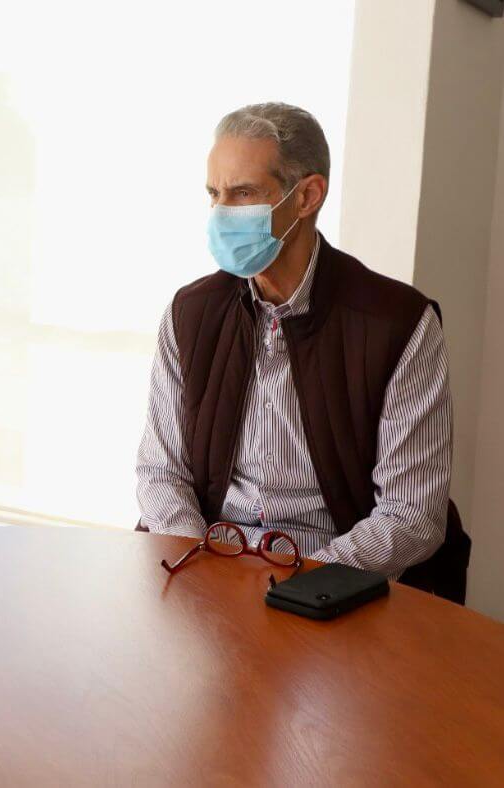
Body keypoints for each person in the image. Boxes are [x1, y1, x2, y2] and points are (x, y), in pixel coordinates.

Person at [136, 102, 470, 600]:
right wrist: (207, 570)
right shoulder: (190, 313)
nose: (222, 212)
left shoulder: (398, 324)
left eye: (243, 193)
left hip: (334, 582)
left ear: (307, 196)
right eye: (214, 194)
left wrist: (303, 584)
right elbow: (161, 475)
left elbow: (412, 515)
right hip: (210, 574)